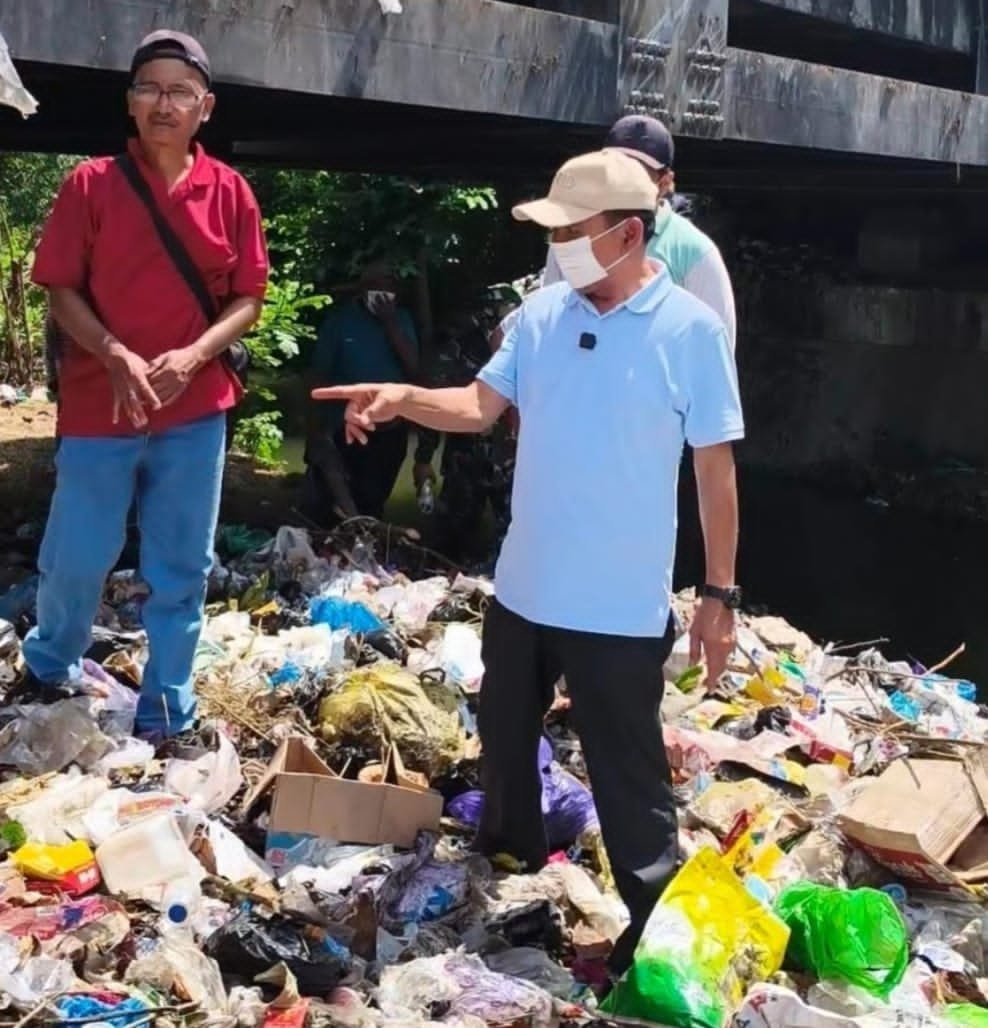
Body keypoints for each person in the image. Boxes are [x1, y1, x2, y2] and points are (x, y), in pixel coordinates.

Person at [313, 150, 745, 979]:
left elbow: (715, 470)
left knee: (630, 776)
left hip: (619, 605)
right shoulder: (541, 317)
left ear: (626, 233)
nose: (560, 250)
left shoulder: (690, 331)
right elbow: (479, 406)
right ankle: (505, 860)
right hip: (524, 588)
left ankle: (654, 929)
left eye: (571, 232)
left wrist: (719, 595)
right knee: (503, 738)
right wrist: (403, 397)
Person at [24, 30, 268, 740]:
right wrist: (115, 353)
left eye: (180, 91)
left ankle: (168, 706)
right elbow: (61, 289)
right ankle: (48, 666)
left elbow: (248, 297)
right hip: (101, 405)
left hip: (194, 411)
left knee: (183, 565)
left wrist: (193, 355)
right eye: (150, 89)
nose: (164, 104)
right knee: (77, 555)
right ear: (130, 103)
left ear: (206, 107)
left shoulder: (230, 192)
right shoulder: (91, 185)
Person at [543, 114, 737, 350]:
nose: (624, 181)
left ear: (665, 182)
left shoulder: (695, 251)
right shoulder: (569, 238)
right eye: (614, 170)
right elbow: (549, 319)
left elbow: (715, 350)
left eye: (637, 172)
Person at [412, 287, 521, 566]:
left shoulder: (530, 347)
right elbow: (435, 401)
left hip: (513, 458)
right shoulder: (457, 349)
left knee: (515, 530)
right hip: (465, 455)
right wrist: (423, 459)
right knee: (452, 532)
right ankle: (444, 578)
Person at [304, 262, 419, 522]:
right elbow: (316, 377)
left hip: (390, 429)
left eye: (388, 285)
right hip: (347, 427)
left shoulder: (402, 319)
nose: (382, 291)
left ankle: (369, 544)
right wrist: (316, 430)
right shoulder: (340, 322)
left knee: (375, 499)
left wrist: (390, 324)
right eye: (375, 285)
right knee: (337, 500)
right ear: (362, 289)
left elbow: (414, 368)